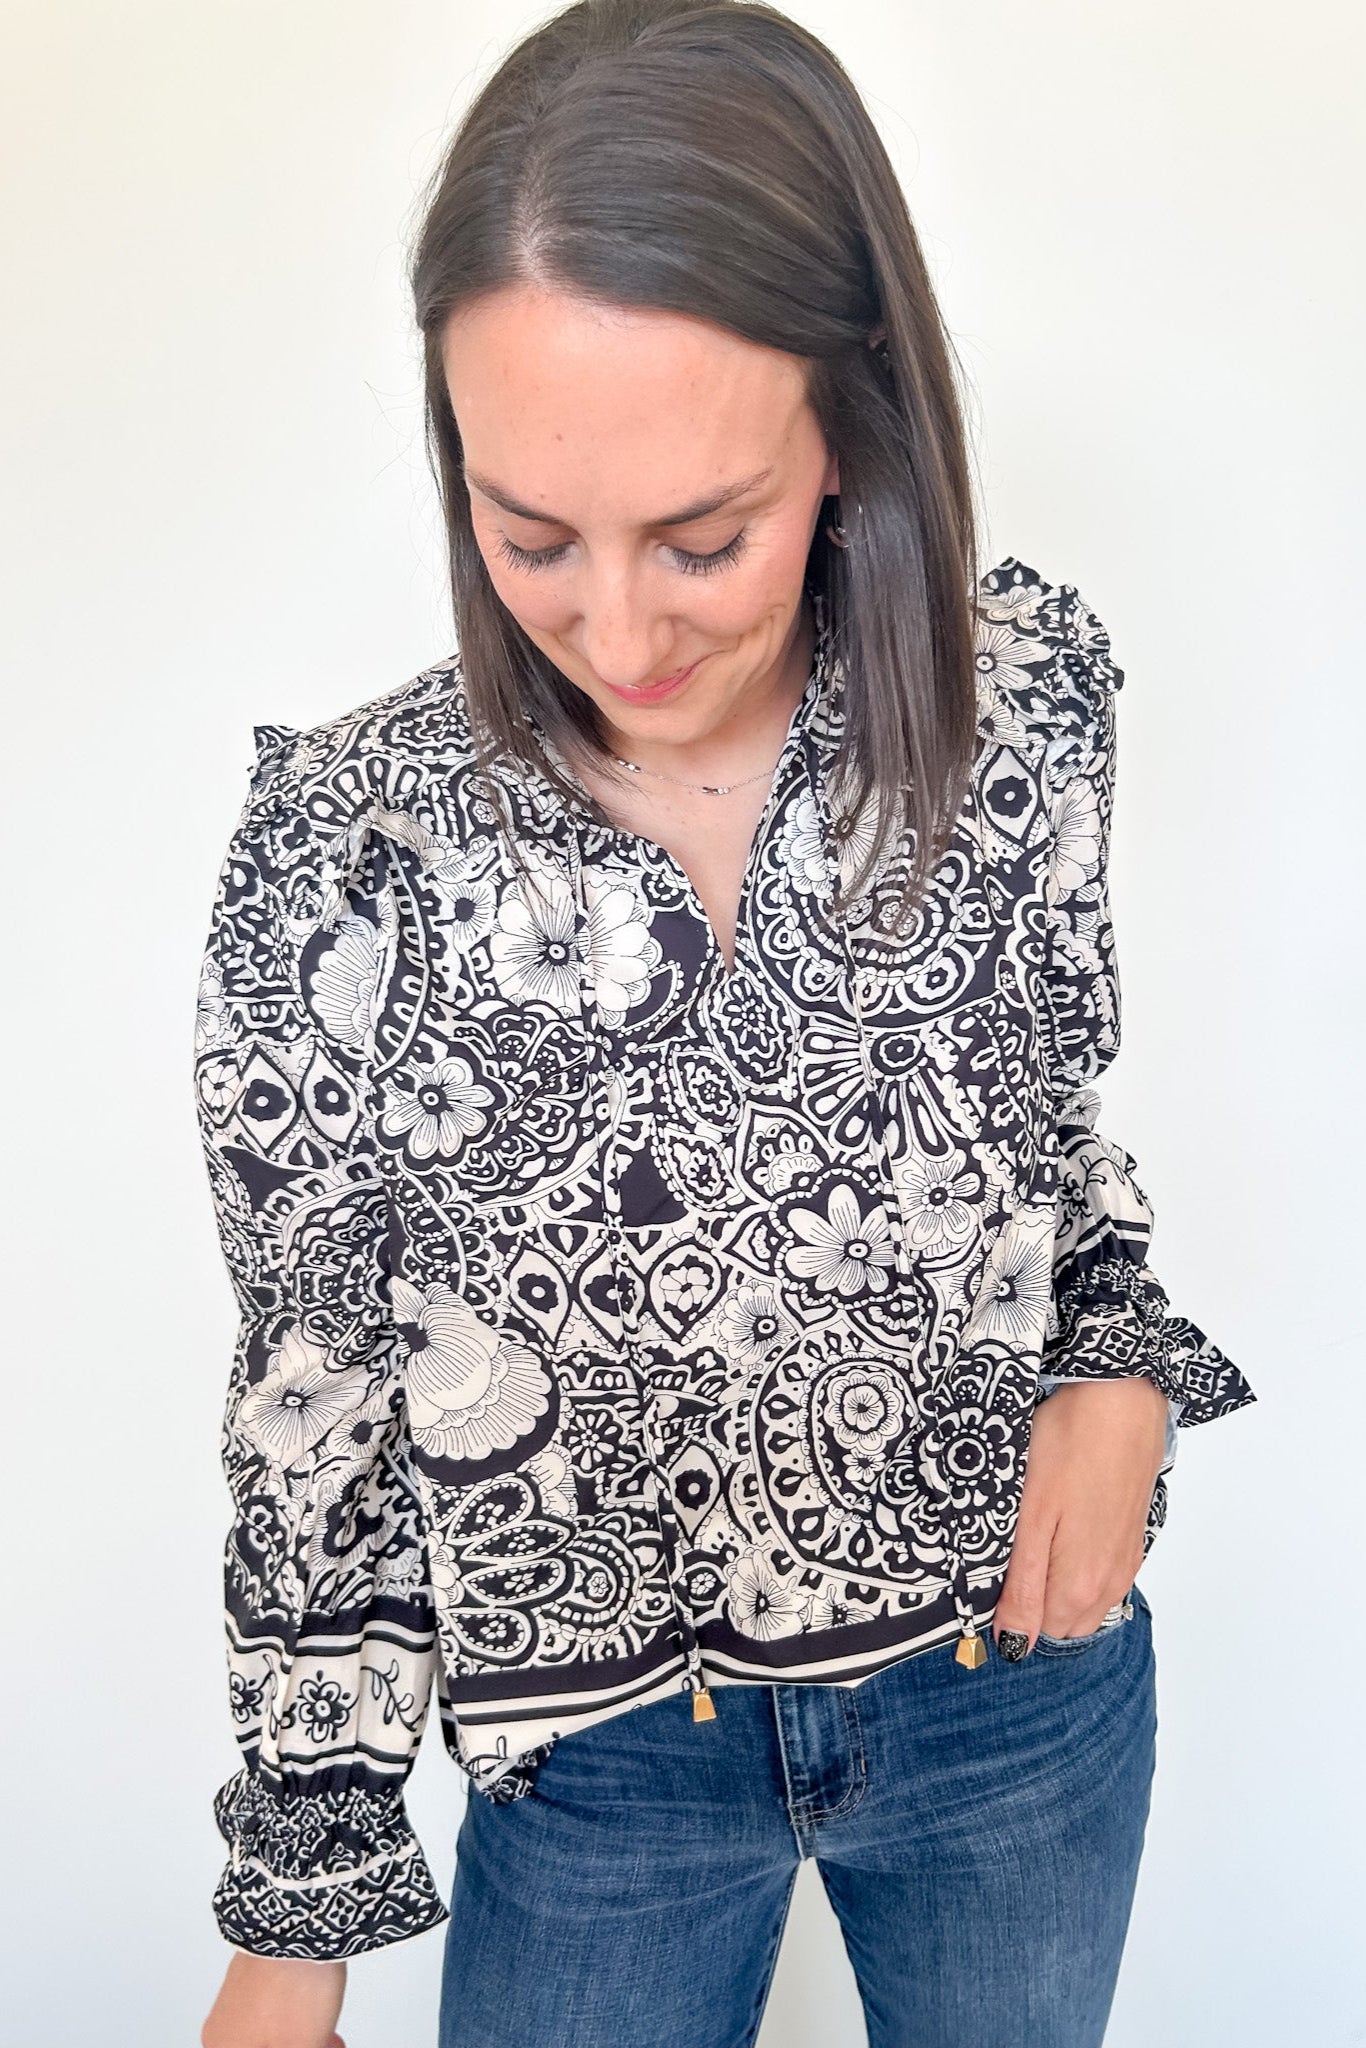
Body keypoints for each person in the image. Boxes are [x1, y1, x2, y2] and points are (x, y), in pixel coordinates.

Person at [195, 3, 1256, 2044]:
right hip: (594, 1774)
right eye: (527, 536)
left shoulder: (1020, 706)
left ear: (852, 423)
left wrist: (1113, 1368)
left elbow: (1043, 1140)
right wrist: (298, 1925)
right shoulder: (344, 850)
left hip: (1012, 1707)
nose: (611, 627)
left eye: (701, 537)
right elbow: (310, 1403)